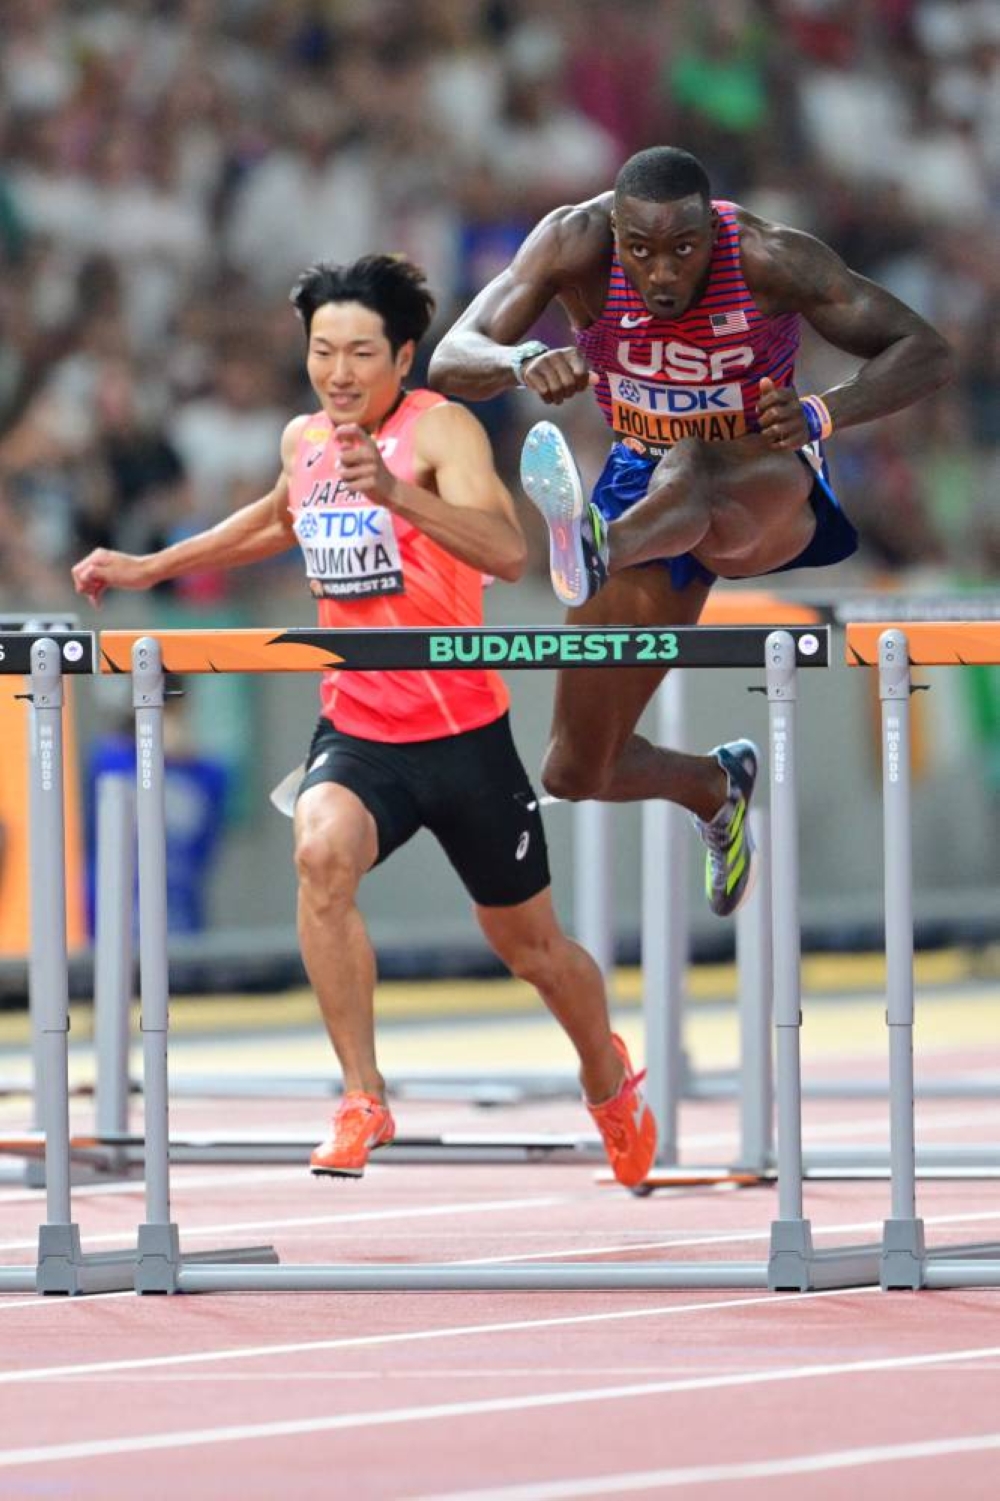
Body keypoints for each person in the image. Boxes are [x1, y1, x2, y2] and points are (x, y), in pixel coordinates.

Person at [71, 254, 656, 1188]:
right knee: (320, 853)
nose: (338, 372)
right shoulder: (305, 438)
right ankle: (362, 1094)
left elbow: (507, 551)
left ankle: (608, 1077)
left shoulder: (443, 430)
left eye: (359, 353)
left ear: (405, 353)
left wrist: (394, 494)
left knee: (532, 949)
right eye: (321, 351)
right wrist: (148, 567)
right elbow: (273, 520)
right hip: (360, 732)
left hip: (464, 737)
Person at [428, 145, 954, 918]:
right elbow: (449, 357)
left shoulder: (772, 256)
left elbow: (926, 350)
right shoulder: (574, 243)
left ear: (715, 230)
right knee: (576, 769)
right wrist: (522, 359)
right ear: (615, 230)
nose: (663, 273)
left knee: (694, 463)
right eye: (641, 251)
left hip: (760, 479)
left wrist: (823, 409)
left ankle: (597, 543)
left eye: (684, 249)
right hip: (643, 491)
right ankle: (713, 785)